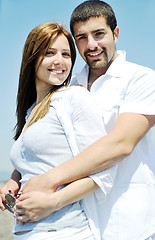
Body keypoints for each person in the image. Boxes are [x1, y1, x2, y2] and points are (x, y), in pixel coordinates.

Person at [3, 1, 155, 240]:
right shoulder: (69, 86)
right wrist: (16, 180)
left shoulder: (140, 78)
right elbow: (44, 146)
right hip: (82, 217)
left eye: (99, 34)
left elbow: (121, 144)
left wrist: (49, 183)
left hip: (131, 220)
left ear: (115, 33)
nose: (92, 45)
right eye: (82, 38)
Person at [0, 21, 112, 240]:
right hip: (26, 231)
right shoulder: (31, 111)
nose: (59, 61)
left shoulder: (73, 98)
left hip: (66, 232)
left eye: (66, 54)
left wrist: (52, 202)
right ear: (31, 57)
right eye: (50, 53)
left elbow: (103, 171)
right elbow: (35, 161)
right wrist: (12, 182)